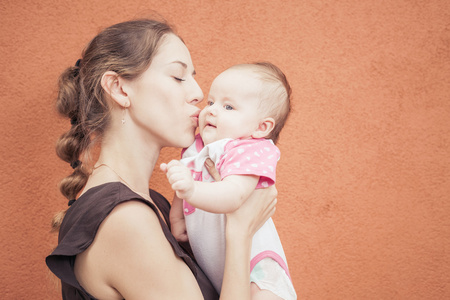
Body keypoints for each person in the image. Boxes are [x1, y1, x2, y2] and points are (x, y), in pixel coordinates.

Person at [45, 18, 279, 300]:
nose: (198, 94)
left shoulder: (155, 204)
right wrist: (240, 230)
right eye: (178, 77)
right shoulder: (126, 220)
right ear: (119, 89)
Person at [161, 63, 297, 300]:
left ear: (261, 127)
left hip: (258, 271)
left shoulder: (248, 149)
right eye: (211, 102)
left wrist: (192, 190)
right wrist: (177, 216)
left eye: (228, 106)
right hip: (221, 270)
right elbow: (186, 180)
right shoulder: (197, 146)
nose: (211, 111)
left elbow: (233, 195)